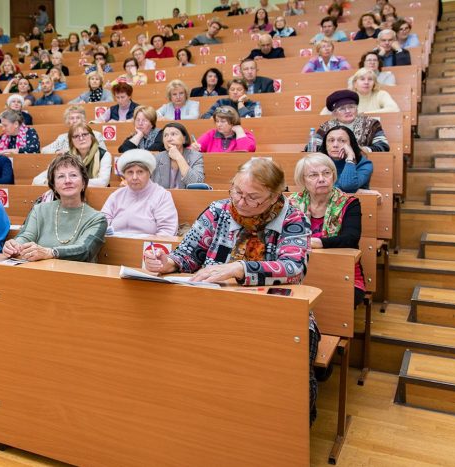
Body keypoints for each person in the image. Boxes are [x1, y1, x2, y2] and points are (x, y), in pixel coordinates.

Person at [142, 157, 315, 422]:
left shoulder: (292, 217)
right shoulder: (218, 210)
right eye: (236, 191)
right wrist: (167, 263)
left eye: (253, 197)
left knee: (288, 369)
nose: (241, 201)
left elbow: (293, 268)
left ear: (274, 196)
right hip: (211, 308)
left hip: (275, 313)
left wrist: (239, 269)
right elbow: (188, 254)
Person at [290, 153, 366, 307]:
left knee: (334, 301)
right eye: (313, 175)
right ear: (302, 180)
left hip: (342, 273)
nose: (321, 179)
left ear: (333, 175)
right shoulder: (292, 203)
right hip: (298, 272)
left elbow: (350, 239)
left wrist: (315, 242)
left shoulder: (349, 203)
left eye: (326, 173)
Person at [4, 154, 107, 262]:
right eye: (61, 176)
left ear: (83, 183)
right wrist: (14, 246)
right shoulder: (39, 209)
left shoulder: (97, 219)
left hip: (78, 275)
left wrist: (50, 252)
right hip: (41, 272)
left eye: (73, 175)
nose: (67, 181)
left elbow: (85, 250)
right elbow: (26, 236)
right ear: (54, 186)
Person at [100, 150, 178, 236]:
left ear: (149, 173)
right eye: (130, 172)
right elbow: (101, 224)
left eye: (140, 172)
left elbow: (167, 231)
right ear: (124, 175)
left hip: (148, 247)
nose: (134, 177)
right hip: (115, 246)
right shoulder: (116, 195)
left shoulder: (162, 195)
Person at [33, 123, 112, 187]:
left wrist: (70, 183)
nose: (81, 138)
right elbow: (37, 180)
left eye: (84, 134)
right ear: (72, 141)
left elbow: (103, 182)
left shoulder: (104, 155)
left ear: (92, 137)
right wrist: (54, 183)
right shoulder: (65, 157)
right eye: (76, 136)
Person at [312, 90, 390, 152]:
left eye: (351, 107)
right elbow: (312, 147)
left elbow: (384, 146)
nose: (348, 111)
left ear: (357, 109)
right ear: (335, 113)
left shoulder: (372, 124)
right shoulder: (326, 127)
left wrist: (364, 150)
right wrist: (332, 151)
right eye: (342, 109)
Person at [318, 125, 373, 193]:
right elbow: (313, 187)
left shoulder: (364, 164)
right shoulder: (318, 162)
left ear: (351, 144)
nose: (335, 145)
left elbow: (347, 186)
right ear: (325, 145)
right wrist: (358, 191)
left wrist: (350, 158)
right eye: (331, 140)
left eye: (342, 141)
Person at [153, 123, 205, 189]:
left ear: (184, 139)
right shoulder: (157, 158)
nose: (169, 139)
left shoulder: (195, 157)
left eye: (173, 134)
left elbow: (196, 184)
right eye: (165, 135)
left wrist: (178, 157)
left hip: (187, 198)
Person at [43, 106, 107, 154]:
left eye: (78, 118)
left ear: (83, 120)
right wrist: (57, 151)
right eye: (72, 118)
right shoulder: (62, 138)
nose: (75, 121)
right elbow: (44, 149)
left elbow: (104, 154)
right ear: (68, 121)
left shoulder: (96, 135)